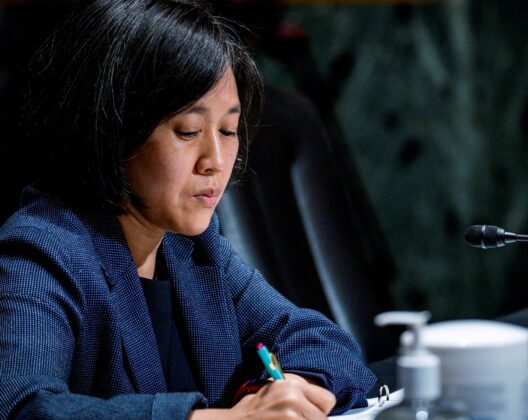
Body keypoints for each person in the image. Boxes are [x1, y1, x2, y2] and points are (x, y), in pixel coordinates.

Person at [0, 0, 376, 418]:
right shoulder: (42, 252)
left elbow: (320, 339)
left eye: (229, 130)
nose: (215, 159)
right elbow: (25, 408)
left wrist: (292, 391)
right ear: (111, 128)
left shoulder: (193, 249)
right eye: (189, 131)